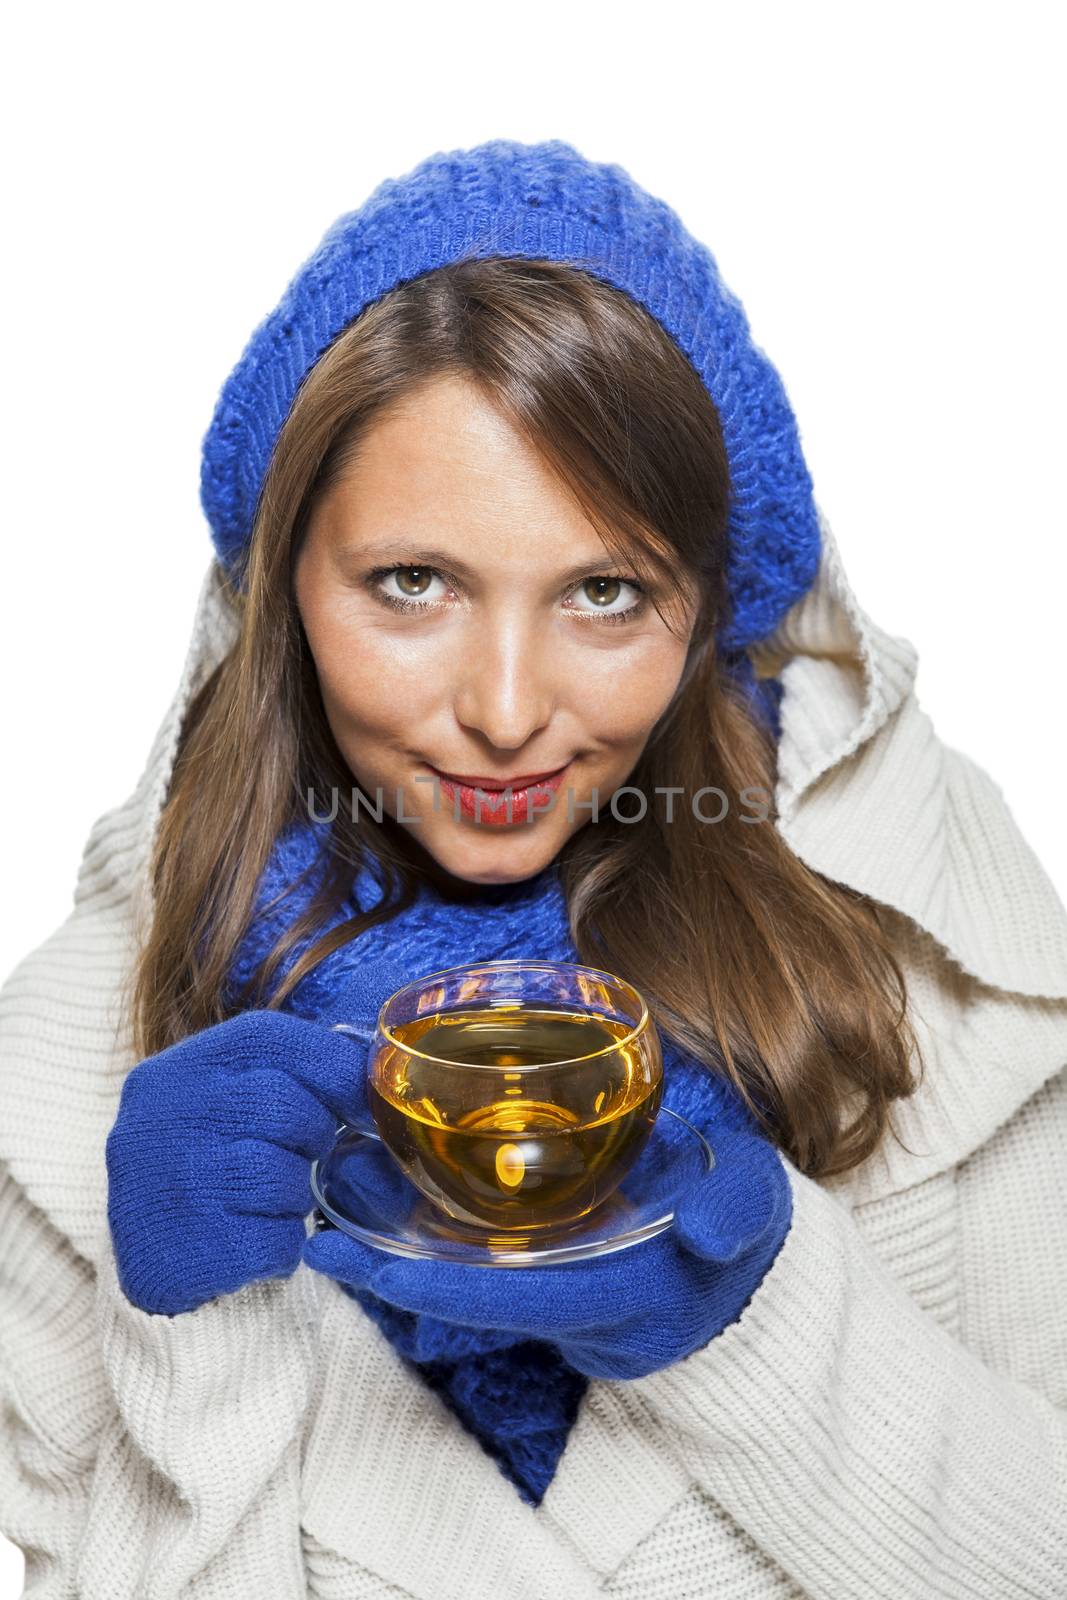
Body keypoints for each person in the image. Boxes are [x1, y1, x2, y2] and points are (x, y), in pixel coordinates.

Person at [1, 138, 1064, 1600]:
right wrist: (195, 1341)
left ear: (705, 610)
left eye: (606, 592)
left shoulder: (931, 961)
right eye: (413, 584)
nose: (505, 708)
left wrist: (756, 1335)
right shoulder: (68, 1076)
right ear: (281, 585)